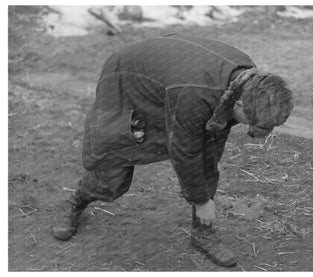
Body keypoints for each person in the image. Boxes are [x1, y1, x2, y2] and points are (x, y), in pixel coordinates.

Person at [52, 34, 293, 267]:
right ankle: (74, 202)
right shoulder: (194, 94)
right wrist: (200, 200)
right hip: (126, 77)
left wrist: (206, 178)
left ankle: (202, 233)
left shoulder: (249, 81)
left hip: (171, 79)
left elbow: (212, 137)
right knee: (115, 170)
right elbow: (184, 151)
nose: (260, 132)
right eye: (256, 124)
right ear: (239, 104)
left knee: (208, 159)